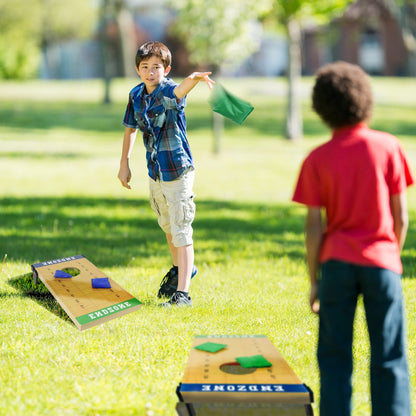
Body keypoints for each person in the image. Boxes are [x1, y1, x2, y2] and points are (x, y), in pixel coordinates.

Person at [292, 61, 413, 416]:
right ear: (365, 100)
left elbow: (314, 227)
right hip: (382, 263)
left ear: (321, 107)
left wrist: (314, 279)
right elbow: (400, 217)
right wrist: (391, 256)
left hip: (336, 265)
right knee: (390, 355)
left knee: (333, 356)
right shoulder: (388, 147)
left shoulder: (317, 159)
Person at [118, 41, 214, 307]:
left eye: (156, 67)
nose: (151, 72)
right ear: (138, 69)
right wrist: (124, 163)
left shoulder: (169, 91)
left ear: (166, 69)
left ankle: (182, 294)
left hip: (177, 169)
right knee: (167, 225)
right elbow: (130, 129)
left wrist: (193, 78)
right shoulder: (136, 95)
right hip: (156, 171)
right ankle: (180, 270)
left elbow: (180, 91)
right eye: (145, 67)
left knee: (181, 227)